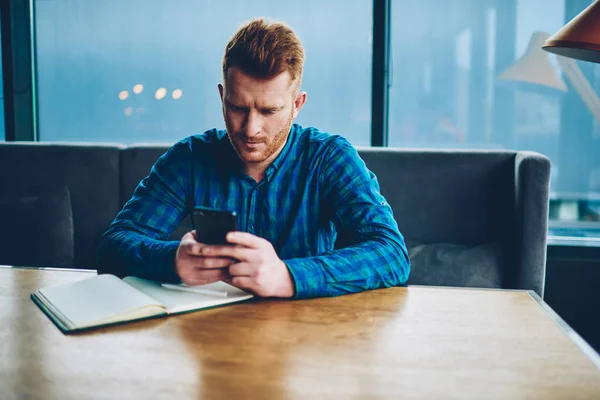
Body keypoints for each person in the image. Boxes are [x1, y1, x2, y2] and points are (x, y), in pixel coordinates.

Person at [96, 18, 410, 299]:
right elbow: (113, 246)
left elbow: (392, 254)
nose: (250, 128)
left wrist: (288, 276)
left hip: (309, 341)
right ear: (222, 96)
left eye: (269, 111)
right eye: (238, 107)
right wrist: (173, 260)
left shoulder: (330, 158)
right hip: (210, 336)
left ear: (296, 104)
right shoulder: (189, 158)